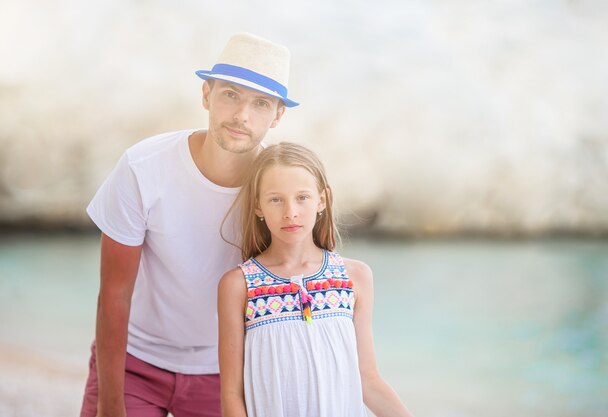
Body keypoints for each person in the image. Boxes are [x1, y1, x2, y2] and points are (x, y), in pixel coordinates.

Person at [80, 32, 299, 417]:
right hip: (134, 361)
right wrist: (110, 405)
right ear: (206, 95)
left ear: (277, 115)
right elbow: (114, 294)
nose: (242, 116)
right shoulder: (143, 167)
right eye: (230, 94)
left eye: (261, 104)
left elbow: (292, 291)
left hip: (226, 372)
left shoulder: (280, 189)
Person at [218, 143, 414, 417]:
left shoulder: (354, 276)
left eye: (302, 197)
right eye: (276, 199)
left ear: (322, 200)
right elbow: (232, 394)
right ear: (258, 206)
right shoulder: (238, 285)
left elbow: (368, 380)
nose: (290, 212)